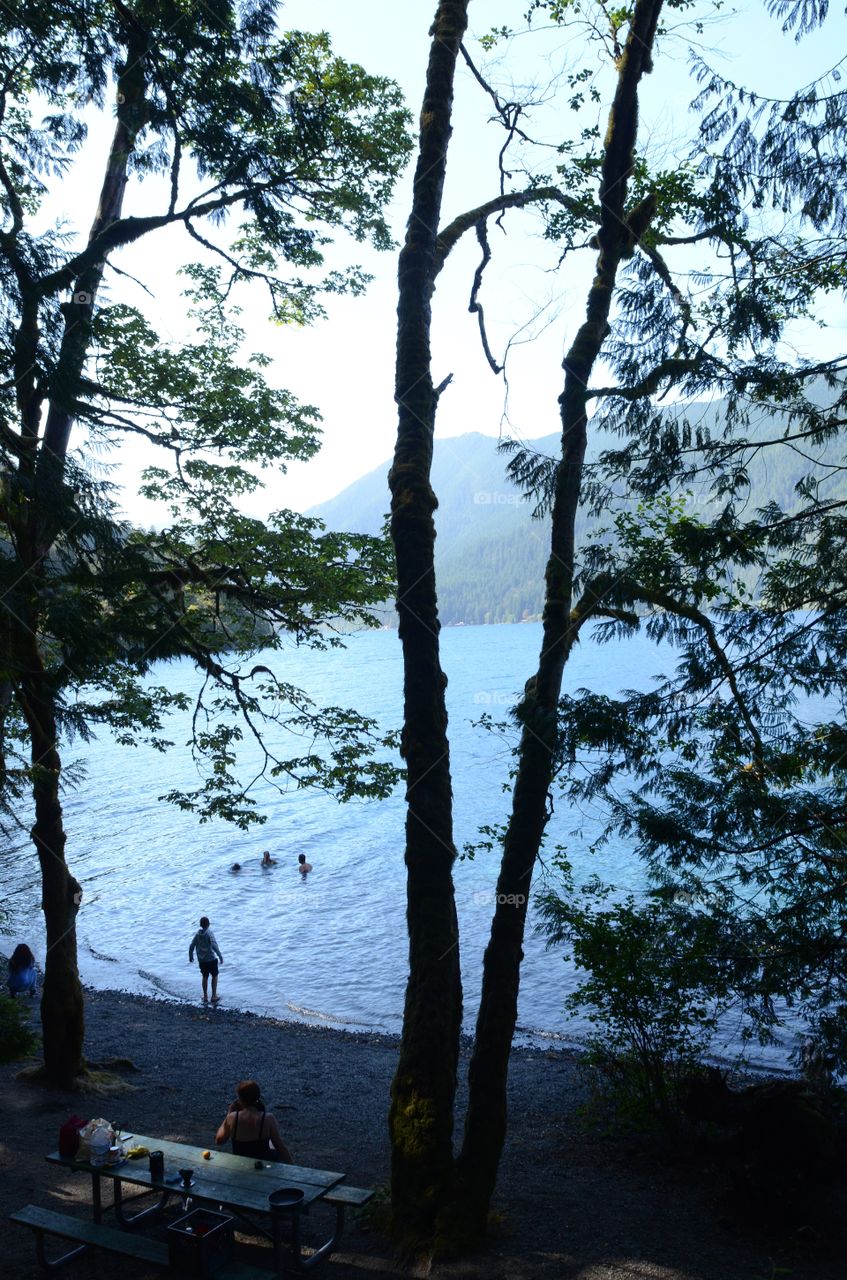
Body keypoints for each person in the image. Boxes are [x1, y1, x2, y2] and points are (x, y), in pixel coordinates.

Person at [216, 1079, 292, 1163]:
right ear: (258, 1097)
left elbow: (219, 1141)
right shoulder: (267, 1118)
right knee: (272, 1143)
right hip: (263, 1164)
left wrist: (229, 1114)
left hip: (241, 1163)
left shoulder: (232, 1117)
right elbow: (280, 1147)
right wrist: (293, 1168)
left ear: (240, 1099)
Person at [188, 916, 224, 1004]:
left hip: (202, 961)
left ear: (200, 925)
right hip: (211, 959)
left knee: (205, 976)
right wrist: (220, 956)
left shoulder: (197, 935)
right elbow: (214, 946)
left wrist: (190, 956)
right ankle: (214, 996)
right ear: (208, 924)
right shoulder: (209, 934)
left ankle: (205, 996)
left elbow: (191, 946)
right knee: (214, 976)